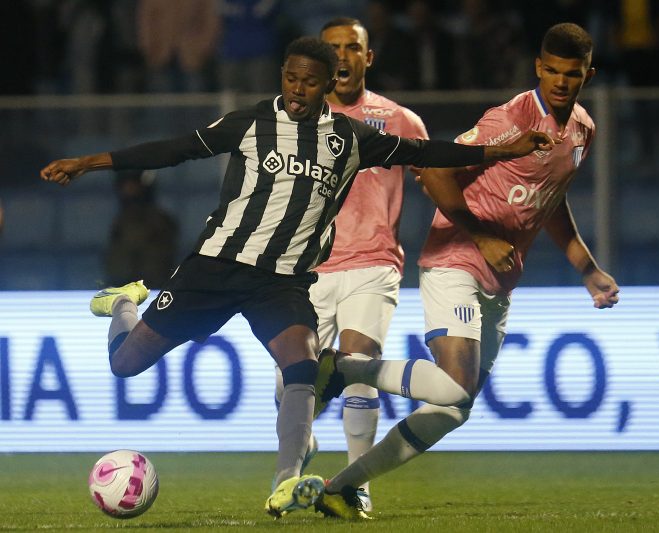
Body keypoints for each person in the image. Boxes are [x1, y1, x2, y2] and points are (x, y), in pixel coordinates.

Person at [39, 36, 555, 519]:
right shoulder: (248, 124)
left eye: (309, 81)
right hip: (215, 267)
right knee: (126, 364)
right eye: (290, 78)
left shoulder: (352, 139)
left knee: (303, 366)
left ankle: (286, 480)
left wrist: (499, 152)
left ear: (328, 83)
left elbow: (425, 152)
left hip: (281, 281)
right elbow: (175, 149)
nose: (297, 89)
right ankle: (125, 304)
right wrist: (90, 162)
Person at [311, 23, 620, 520]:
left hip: (500, 280)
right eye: (553, 71)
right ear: (539, 67)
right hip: (454, 260)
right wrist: (481, 235)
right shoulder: (510, 119)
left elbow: (550, 199)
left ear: (588, 74)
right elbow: (435, 173)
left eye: (573, 74)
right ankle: (344, 368)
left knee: (454, 407)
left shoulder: (582, 128)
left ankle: (343, 485)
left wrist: (587, 268)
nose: (562, 82)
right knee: (455, 384)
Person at [274, 16, 430, 513]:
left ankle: (355, 484)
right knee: (289, 387)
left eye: (352, 47)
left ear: (368, 57)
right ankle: (307, 449)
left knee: (360, 365)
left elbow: (438, 181)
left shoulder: (399, 119)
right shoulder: (293, 122)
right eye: (332, 48)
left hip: (373, 263)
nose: (342, 56)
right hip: (309, 270)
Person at [104, 170, 178, 289]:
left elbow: (159, 263)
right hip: (124, 291)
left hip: (151, 290)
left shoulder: (160, 221)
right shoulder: (120, 221)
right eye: (125, 185)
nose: (128, 189)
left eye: (132, 184)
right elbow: (116, 263)